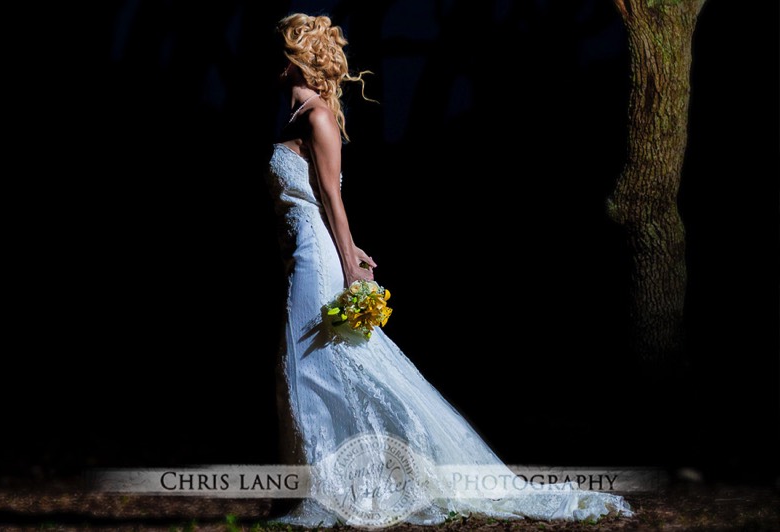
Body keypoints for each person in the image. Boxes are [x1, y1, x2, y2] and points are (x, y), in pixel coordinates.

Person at [264, 12, 634, 528]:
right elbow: (313, 201)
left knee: (316, 364)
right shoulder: (297, 115)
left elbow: (333, 200)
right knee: (308, 366)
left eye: (281, 51)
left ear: (296, 58)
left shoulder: (319, 117)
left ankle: (346, 487)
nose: (275, 62)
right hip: (301, 252)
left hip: (318, 257)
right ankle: (323, 485)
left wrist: (351, 265)